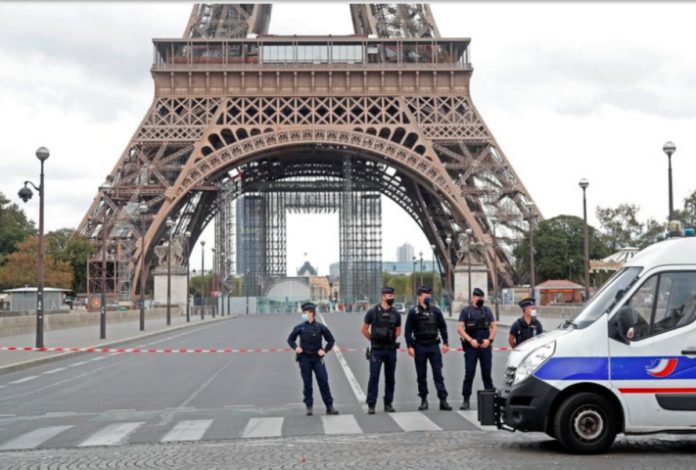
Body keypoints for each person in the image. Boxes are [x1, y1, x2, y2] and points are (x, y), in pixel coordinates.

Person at [404, 287, 452, 411]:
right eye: (425, 295)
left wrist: (446, 342)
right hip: (419, 346)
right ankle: (423, 399)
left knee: (438, 374)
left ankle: (443, 400)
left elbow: (443, 327)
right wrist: (409, 346)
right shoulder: (413, 312)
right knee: (421, 375)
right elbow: (408, 331)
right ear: (419, 297)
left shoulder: (436, 311)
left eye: (429, 294)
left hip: (433, 346)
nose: (427, 297)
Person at [287, 302, 339, 416]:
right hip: (304, 358)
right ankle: (309, 406)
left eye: (305, 313)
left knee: (323, 381)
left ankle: (329, 406)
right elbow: (290, 340)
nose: (303, 314)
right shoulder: (299, 327)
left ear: (311, 313)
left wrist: (325, 350)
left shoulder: (320, 327)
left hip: (317, 358)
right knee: (307, 383)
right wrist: (296, 347)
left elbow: (331, 340)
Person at [362, 287, 402, 414]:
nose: (392, 298)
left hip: (390, 349)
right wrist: (373, 340)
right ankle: (371, 404)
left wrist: (389, 338)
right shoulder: (372, 312)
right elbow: (364, 329)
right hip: (377, 350)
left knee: (390, 378)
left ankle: (388, 403)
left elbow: (398, 331)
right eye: (389, 296)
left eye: (392, 296)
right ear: (383, 297)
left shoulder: (396, 313)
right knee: (374, 377)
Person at [457, 287, 497, 410]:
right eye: (478, 297)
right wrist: (470, 340)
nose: (480, 299)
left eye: (482, 297)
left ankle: (490, 401)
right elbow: (460, 328)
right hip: (471, 346)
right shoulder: (466, 311)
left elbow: (494, 327)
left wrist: (489, 340)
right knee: (469, 374)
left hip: (485, 346)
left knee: (487, 374)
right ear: (473, 297)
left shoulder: (487, 311)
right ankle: (466, 400)